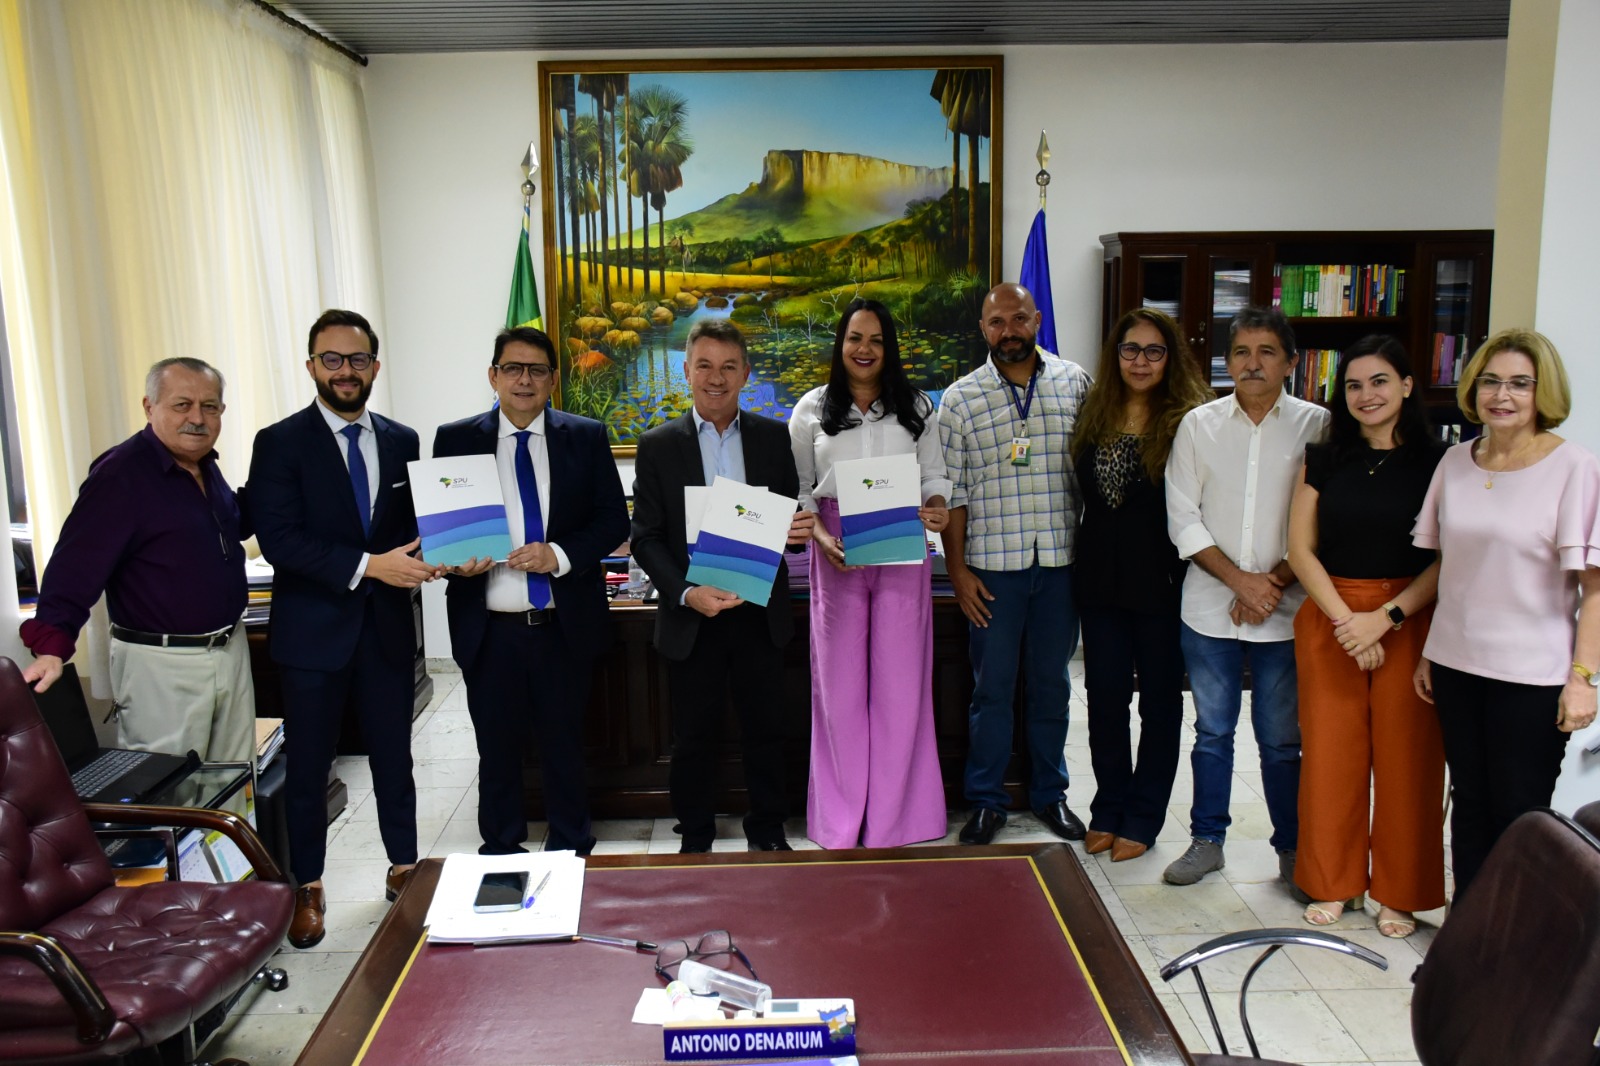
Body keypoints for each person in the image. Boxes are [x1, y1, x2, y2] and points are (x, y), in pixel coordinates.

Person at [249, 309, 436, 949]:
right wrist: (369, 566)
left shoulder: (403, 439)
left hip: (385, 631)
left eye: (357, 360)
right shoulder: (279, 442)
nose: (346, 371)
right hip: (312, 636)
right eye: (332, 360)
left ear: (375, 368)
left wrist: (446, 552)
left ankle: (405, 868)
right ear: (311, 368)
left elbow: (419, 524)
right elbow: (279, 540)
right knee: (308, 768)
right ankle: (309, 884)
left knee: (394, 759)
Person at [1412, 327, 1599, 899]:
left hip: (1532, 677)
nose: (1503, 395)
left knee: (1518, 818)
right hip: (1455, 664)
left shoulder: (1574, 468)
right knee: (1468, 806)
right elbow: (1455, 567)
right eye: (1491, 381)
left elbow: (1594, 587)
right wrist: (1429, 650)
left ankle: (1516, 956)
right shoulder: (1454, 461)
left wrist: (1583, 679)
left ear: (1543, 393)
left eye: (1520, 383)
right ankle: (1466, 948)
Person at [432, 326, 628, 856]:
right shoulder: (455, 439)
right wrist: (454, 563)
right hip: (489, 626)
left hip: (562, 625)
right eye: (513, 369)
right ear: (493, 376)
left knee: (565, 746)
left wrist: (558, 555)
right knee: (496, 751)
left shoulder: (584, 435)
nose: (524, 380)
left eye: (537, 369)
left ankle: (569, 847)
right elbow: (441, 528)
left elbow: (612, 519)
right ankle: (500, 849)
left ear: (554, 380)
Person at [629, 319, 814, 852]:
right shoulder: (658, 445)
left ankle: (769, 830)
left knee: (766, 731)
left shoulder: (774, 439)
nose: (716, 378)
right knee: (693, 736)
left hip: (759, 609)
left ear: (745, 374)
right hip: (692, 614)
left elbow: (788, 527)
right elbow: (646, 538)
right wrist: (687, 593)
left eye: (728, 366)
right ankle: (696, 836)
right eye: (705, 365)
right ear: (686, 371)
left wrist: (796, 531)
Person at [1163, 306, 1329, 891]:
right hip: (1210, 611)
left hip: (1287, 614)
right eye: (1241, 352)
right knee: (1212, 732)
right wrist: (1240, 582)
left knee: (1283, 739)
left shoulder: (1318, 425)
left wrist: (1271, 585)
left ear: (1289, 361)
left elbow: (1323, 523)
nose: (1252, 364)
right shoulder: (1198, 425)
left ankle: (1292, 849)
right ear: (1226, 360)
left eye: (1266, 352)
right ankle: (1207, 841)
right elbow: (1182, 519)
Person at [1286, 335, 1445, 937]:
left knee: (1409, 762)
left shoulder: (1441, 463)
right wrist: (1348, 621)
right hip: (1332, 617)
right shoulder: (1324, 458)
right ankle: (1333, 882)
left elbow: (1450, 557)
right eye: (1353, 385)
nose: (1366, 395)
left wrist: (1389, 617)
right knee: (1330, 758)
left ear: (1407, 385)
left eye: (1379, 381)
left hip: (1411, 618)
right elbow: (1299, 549)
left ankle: (1400, 892)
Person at [19, 358, 254, 763]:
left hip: (230, 650)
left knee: (233, 781)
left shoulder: (204, 466)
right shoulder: (120, 475)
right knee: (169, 792)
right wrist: (52, 646)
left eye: (209, 406)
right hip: (161, 666)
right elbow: (75, 565)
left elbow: (225, 529)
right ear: (149, 407)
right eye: (182, 405)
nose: (197, 418)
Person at [789, 298, 950, 849]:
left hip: (901, 542)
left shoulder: (918, 407)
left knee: (901, 686)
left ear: (890, 347)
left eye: (877, 339)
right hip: (836, 547)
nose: (864, 349)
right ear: (840, 344)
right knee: (839, 686)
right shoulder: (811, 408)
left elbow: (936, 476)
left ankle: (894, 820)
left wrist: (936, 505)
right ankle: (842, 819)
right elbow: (798, 489)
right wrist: (822, 536)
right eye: (855, 338)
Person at [937, 281, 1091, 847]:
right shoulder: (960, 399)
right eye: (997, 323)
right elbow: (951, 493)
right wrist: (956, 570)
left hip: (1059, 565)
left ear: (1037, 320)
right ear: (983, 330)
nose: (1009, 331)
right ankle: (986, 801)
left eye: (1019, 319)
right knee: (991, 691)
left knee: (1052, 686)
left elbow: (1090, 474)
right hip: (991, 570)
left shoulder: (1075, 384)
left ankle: (1051, 795)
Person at [1071, 309, 1212, 863]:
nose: (1141, 361)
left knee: (1158, 703)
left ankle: (1145, 813)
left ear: (1170, 358)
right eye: (1131, 349)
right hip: (1099, 582)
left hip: (1162, 583)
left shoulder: (1191, 420)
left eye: (1154, 351)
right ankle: (1108, 806)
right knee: (1104, 698)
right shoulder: (1094, 410)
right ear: (1116, 355)